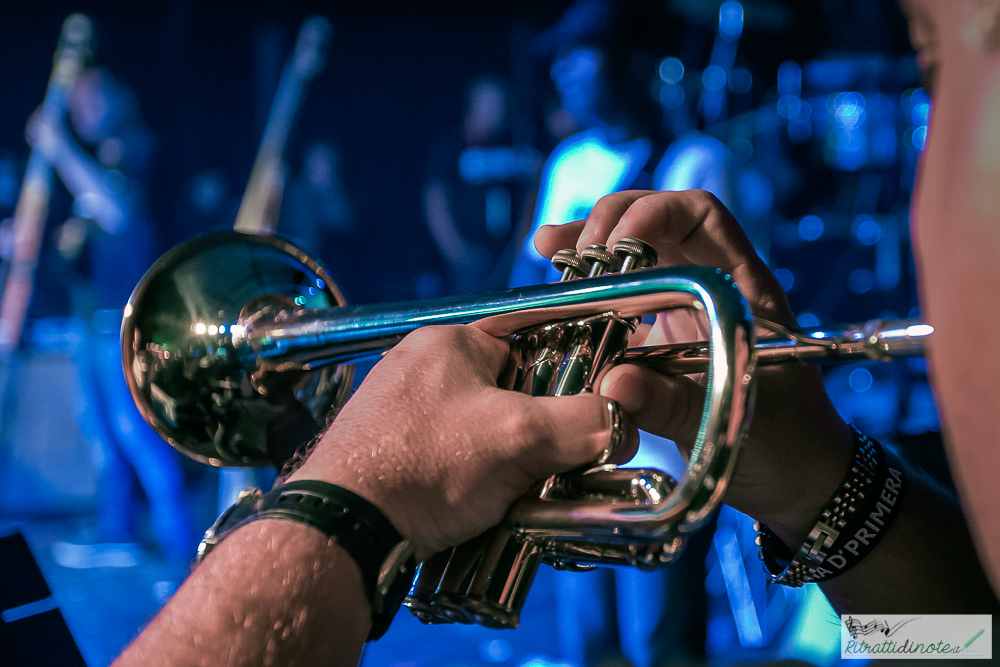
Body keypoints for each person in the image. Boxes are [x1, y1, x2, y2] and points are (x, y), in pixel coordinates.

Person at [112, 1, 1000, 663]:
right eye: (930, 70)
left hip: (654, 449)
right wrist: (828, 487)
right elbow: (956, 646)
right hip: (581, 440)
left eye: (935, 71)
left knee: (658, 641)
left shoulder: (693, 157)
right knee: (590, 639)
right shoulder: (572, 161)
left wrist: (338, 507)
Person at [423, 76, 540, 295]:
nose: (499, 111)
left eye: (502, 104)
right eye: (492, 104)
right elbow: (437, 208)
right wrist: (461, 256)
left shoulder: (513, 146)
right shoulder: (450, 150)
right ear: (473, 105)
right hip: (468, 266)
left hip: (506, 261)